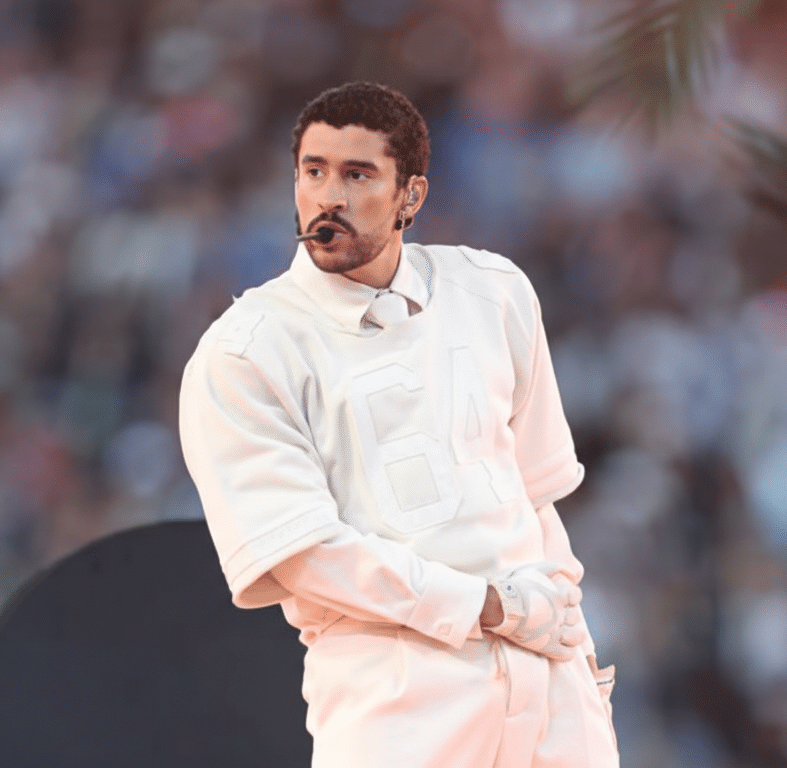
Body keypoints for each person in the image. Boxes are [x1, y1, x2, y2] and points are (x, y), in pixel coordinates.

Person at [179, 82, 618, 768]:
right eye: (313, 171)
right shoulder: (244, 349)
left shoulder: (494, 291)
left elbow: (536, 495)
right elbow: (303, 554)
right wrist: (485, 606)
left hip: (550, 685)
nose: (329, 197)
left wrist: (576, 655)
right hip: (394, 698)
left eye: (358, 175)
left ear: (411, 196)